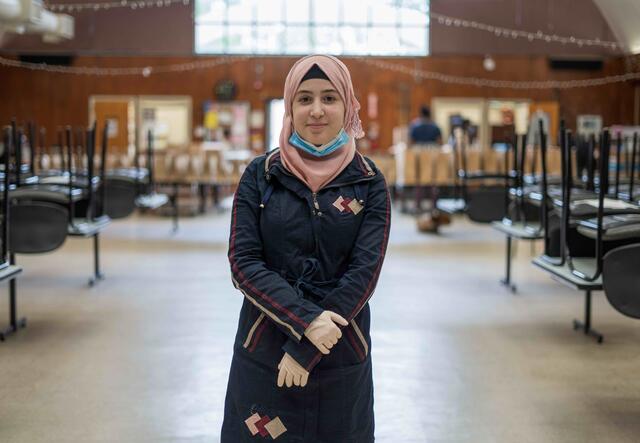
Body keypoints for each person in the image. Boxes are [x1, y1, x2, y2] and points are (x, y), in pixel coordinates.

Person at [221, 55, 391, 442]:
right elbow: (243, 263)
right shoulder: (261, 175)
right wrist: (304, 322)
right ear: (289, 107)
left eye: (330, 98)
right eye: (304, 99)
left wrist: (306, 350)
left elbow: (364, 272)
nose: (317, 110)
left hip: (340, 350)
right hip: (266, 347)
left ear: (348, 106)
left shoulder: (367, 181)